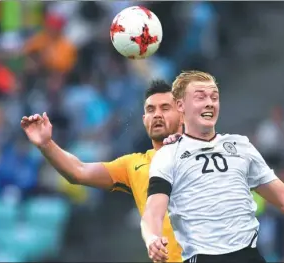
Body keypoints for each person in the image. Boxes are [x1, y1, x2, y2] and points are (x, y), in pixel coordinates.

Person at [140, 70, 284, 263]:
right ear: (180, 105)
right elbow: (153, 211)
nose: (209, 102)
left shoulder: (241, 146)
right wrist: (152, 238)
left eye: (214, 97)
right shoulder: (169, 154)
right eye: (200, 97)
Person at [20, 80, 184, 262]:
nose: (157, 115)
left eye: (165, 108)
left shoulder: (209, 155)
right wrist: (46, 144)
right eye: (151, 110)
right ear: (144, 120)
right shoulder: (133, 165)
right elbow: (78, 171)